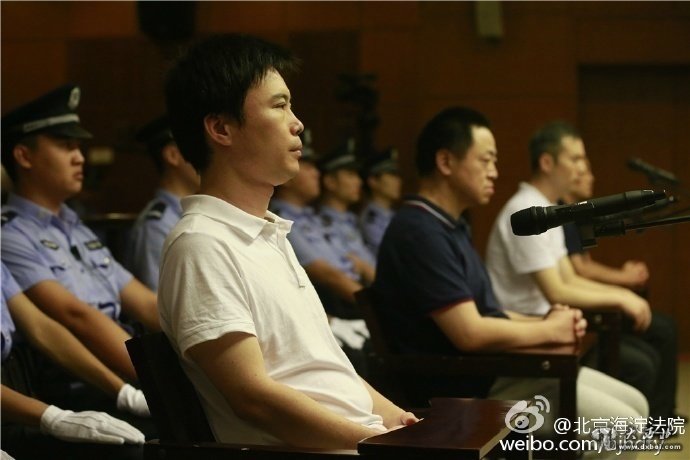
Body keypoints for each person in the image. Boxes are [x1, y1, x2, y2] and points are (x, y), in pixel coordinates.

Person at [159, 33, 417, 449]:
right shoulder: (202, 244)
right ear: (221, 128)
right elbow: (253, 399)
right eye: (279, 106)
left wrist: (401, 422)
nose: (297, 123)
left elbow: (327, 371)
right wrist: (376, 442)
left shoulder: (266, 233)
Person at [372, 107, 647, 429]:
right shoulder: (420, 232)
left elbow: (488, 311)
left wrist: (549, 320)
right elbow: (470, 333)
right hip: (464, 389)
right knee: (625, 425)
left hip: (490, 370)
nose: (494, 172)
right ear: (445, 162)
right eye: (485, 160)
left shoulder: (450, 226)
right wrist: (549, 330)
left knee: (637, 404)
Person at [485, 120, 677, 419]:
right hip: (528, 337)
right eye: (574, 159)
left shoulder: (548, 208)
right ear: (547, 163)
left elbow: (569, 277)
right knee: (641, 368)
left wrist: (621, 293)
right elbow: (558, 291)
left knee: (642, 372)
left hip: (552, 329)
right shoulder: (526, 210)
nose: (581, 168)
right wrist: (622, 297)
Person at [1, 84, 160, 386]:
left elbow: (146, 305)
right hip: (80, 384)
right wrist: (160, 383)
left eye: (78, 147)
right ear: (24, 156)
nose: (80, 158)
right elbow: (75, 316)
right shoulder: (10, 234)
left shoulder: (77, 228)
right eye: (66, 146)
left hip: (123, 362)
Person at [1, 262, 145, 457]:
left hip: (18, 394)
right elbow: (75, 315)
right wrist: (52, 418)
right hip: (15, 403)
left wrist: (125, 393)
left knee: (133, 445)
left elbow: (41, 328)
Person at [124, 116, 200, 291]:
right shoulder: (157, 226)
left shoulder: (192, 213)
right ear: (173, 155)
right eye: (197, 148)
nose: (208, 157)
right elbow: (160, 299)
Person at [562, 162, 650, 289]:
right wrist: (626, 277)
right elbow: (581, 269)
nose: (592, 178)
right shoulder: (563, 215)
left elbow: (586, 262)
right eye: (584, 173)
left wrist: (624, 275)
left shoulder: (576, 214)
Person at [318, 140, 376, 283]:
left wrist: (365, 268)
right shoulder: (319, 223)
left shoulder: (351, 219)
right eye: (350, 174)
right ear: (330, 181)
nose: (359, 182)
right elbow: (345, 274)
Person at [358, 147, 402, 257]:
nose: (398, 181)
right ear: (373, 181)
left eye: (397, 176)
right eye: (392, 175)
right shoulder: (371, 219)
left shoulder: (394, 215)